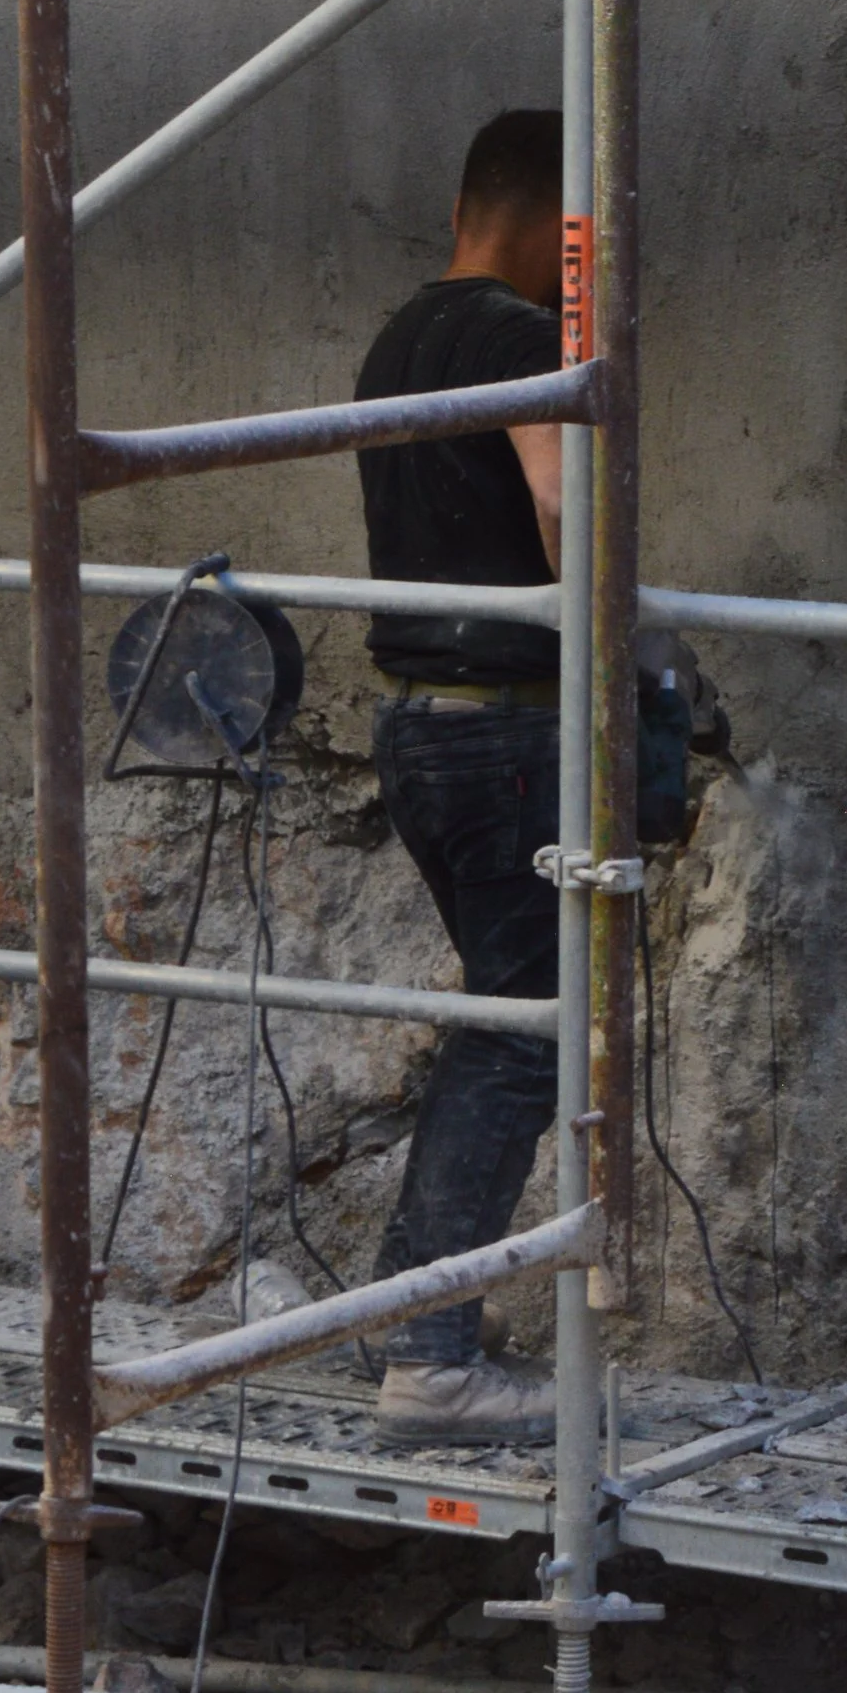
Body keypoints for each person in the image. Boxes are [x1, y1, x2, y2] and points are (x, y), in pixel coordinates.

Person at [355, 106, 566, 1448]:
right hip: (501, 726)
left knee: (500, 1017)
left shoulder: (400, 340)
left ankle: (400, 1308)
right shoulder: (517, 338)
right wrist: (642, 652)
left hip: (423, 723)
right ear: (553, 219)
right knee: (526, 1035)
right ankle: (432, 1358)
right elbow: (560, 503)